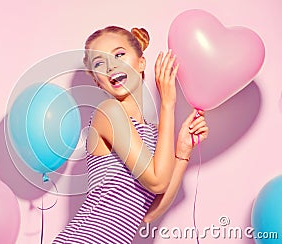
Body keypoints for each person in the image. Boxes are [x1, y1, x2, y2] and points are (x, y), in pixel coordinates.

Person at [53, 26, 209, 244]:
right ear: (97, 80)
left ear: (141, 62)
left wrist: (182, 153)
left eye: (119, 54)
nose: (110, 66)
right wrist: (167, 103)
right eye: (99, 63)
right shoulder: (108, 112)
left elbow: (149, 213)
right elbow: (157, 183)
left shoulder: (155, 134)